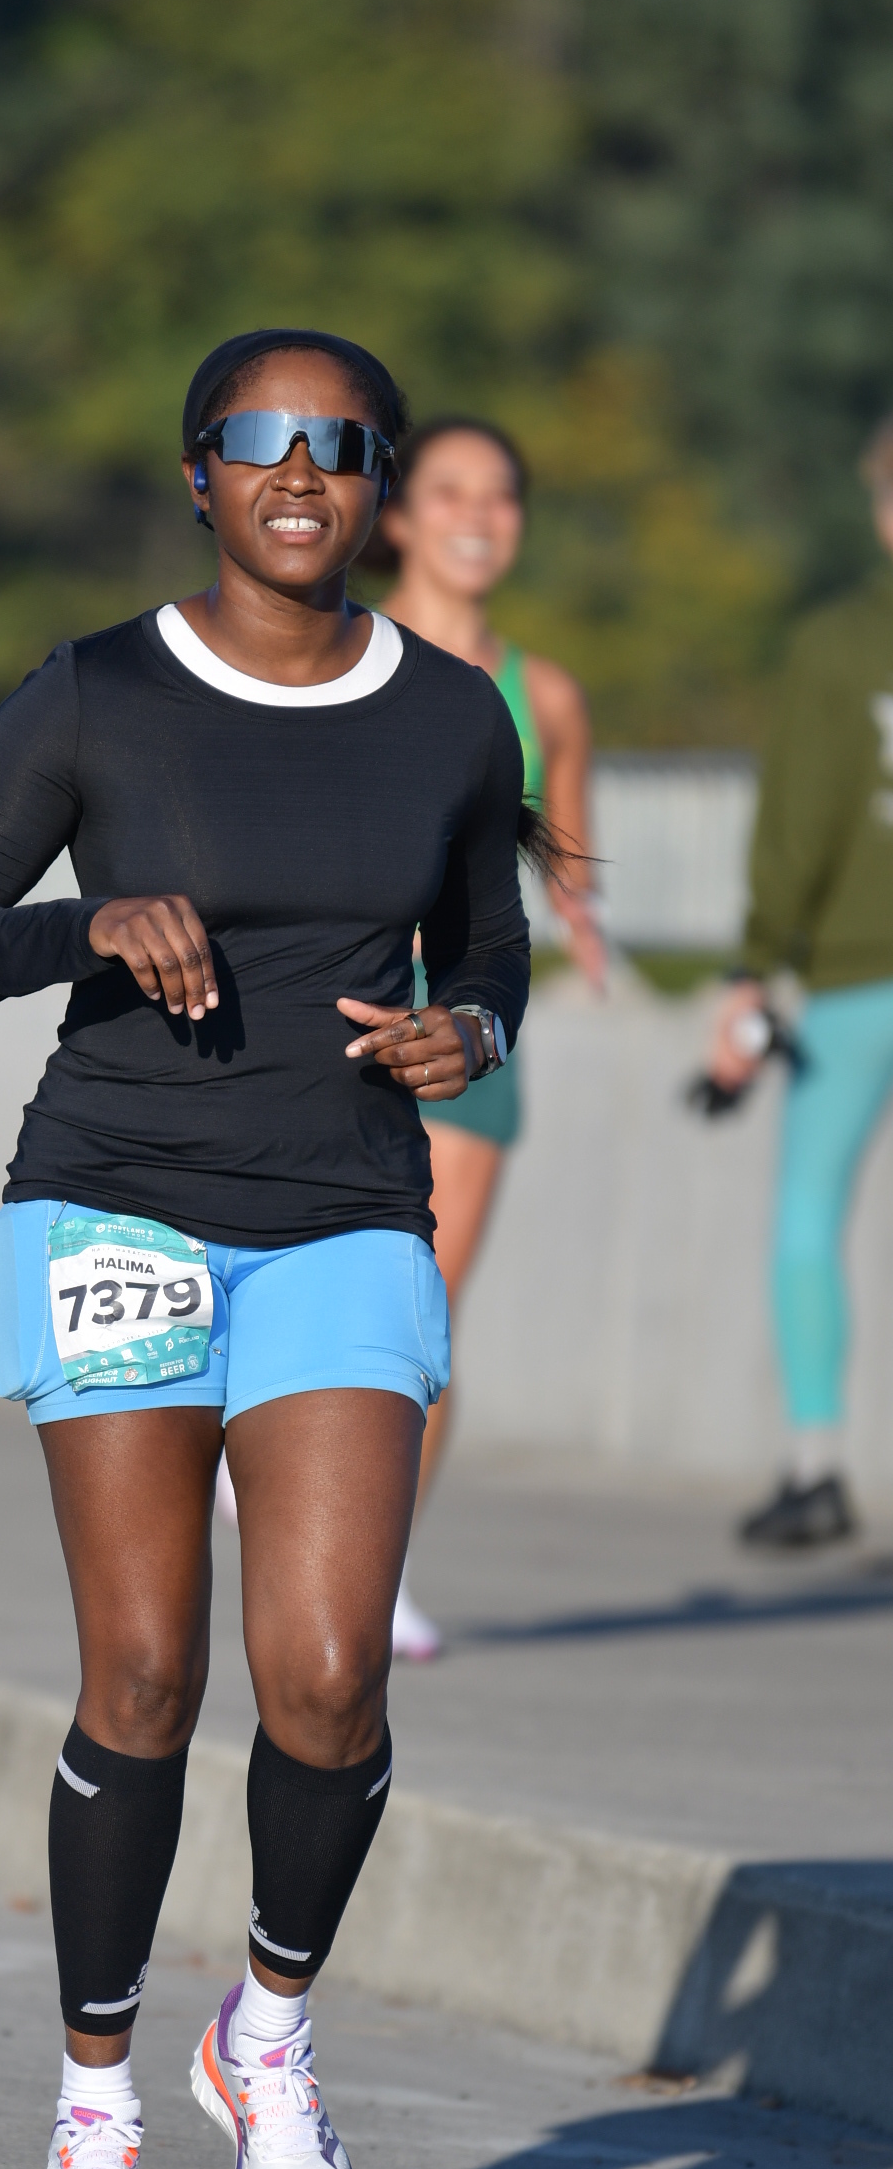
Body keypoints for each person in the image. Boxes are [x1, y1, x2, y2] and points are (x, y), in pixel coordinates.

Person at [0, 329, 537, 2169]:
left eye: (340, 442)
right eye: (261, 437)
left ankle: (271, 2031)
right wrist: (86, 921)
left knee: (325, 1673)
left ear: (378, 482)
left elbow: (488, 943)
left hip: (343, 1214)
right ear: (199, 474)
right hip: (115, 1209)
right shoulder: (97, 694)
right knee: (146, 1671)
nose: (300, 469)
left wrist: (471, 1029)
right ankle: (95, 2105)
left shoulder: (453, 715)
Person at [371, 417, 603, 1656]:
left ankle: (380, 1565)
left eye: (499, 495)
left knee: (425, 1302)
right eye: (449, 491)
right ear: (397, 515)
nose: (476, 515)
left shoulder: (544, 693)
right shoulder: (340, 651)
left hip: (463, 1017)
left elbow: (564, 857)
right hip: (333, 1000)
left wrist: (587, 930)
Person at [707, 415, 893, 1549]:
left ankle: (816, 1464)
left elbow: (801, 825)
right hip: (852, 976)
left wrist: (754, 966)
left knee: (808, 1217)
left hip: (856, 974)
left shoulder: (839, 643)